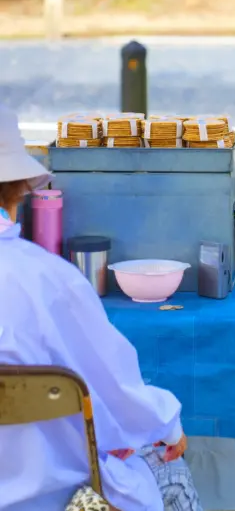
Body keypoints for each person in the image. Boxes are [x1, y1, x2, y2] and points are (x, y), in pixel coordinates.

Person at [0, 104, 204, 511]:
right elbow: (119, 396)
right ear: (19, 187)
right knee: (169, 468)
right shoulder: (46, 279)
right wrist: (167, 423)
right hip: (51, 499)